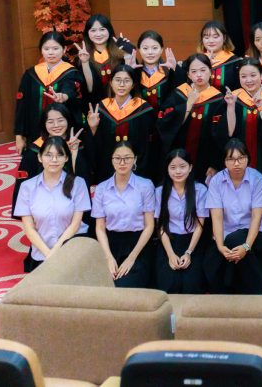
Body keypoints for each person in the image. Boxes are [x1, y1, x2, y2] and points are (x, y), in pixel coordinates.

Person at [204, 139, 262, 293]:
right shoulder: (216, 181)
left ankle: (255, 284)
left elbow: (256, 218)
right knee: (210, 260)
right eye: (231, 159)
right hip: (227, 232)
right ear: (224, 161)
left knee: (235, 240)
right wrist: (220, 246)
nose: (236, 164)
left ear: (248, 158)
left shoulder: (258, 179)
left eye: (241, 158)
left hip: (257, 232)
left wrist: (246, 246)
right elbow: (217, 217)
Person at [218, 60, 262, 225]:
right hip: (239, 160)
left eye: (253, 75)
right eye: (243, 76)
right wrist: (231, 107)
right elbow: (228, 133)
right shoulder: (233, 98)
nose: (248, 80)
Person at [15, 136, 90, 272]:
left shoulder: (78, 183)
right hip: (42, 254)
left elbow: (75, 224)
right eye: (48, 155)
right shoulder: (27, 187)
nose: (54, 160)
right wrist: (48, 255)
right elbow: (29, 229)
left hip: (73, 251)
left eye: (59, 155)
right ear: (40, 157)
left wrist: (55, 252)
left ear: (66, 158)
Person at [92, 141, 156, 288]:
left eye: (127, 158)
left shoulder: (145, 186)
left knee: (124, 286)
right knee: (105, 286)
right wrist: (108, 257)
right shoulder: (102, 188)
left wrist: (132, 258)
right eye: (117, 158)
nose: (122, 162)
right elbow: (100, 227)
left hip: (138, 244)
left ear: (135, 159)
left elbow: (149, 225)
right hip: (109, 245)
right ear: (112, 160)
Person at [156, 54, 226, 182]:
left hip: (204, 160)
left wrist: (215, 163)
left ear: (211, 71)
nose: (199, 75)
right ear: (188, 74)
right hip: (177, 157)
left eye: (203, 70)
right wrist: (188, 104)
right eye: (194, 71)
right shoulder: (179, 93)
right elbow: (164, 123)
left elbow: (220, 135)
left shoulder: (218, 99)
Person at [14, 31, 84, 156]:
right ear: (41, 50)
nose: (51, 53)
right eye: (46, 49)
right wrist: (19, 136)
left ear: (64, 49)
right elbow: (22, 105)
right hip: (35, 131)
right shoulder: (31, 74)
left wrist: (63, 96)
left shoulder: (71, 72)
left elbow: (71, 91)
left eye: (55, 48)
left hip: (62, 131)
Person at [12, 103, 89, 218]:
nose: (56, 125)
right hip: (43, 210)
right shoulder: (34, 151)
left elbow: (85, 180)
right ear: (44, 124)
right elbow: (24, 184)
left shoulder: (78, 145)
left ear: (68, 121)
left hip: (75, 206)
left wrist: (74, 154)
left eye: (60, 120)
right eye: (50, 122)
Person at [86, 64, 156, 182]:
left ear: (133, 84)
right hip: (107, 169)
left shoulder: (143, 109)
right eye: (117, 80)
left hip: (136, 169)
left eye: (127, 81)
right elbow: (96, 146)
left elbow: (146, 145)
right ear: (111, 82)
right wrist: (93, 128)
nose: (122, 84)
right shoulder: (100, 108)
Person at [154, 149, 208, 294]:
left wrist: (189, 252)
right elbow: (161, 226)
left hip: (193, 241)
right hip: (168, 240)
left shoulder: (200, 190)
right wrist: (170, 254)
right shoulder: (160, 191)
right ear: (167, 169)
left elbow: (200, 226)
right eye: (173, 167)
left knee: (191, 285)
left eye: (182, 166)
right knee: (169, 284)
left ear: (190, 168)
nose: (178, 171)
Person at [74, 14, 127, 102]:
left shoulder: (121, 53)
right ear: (87, 33)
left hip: (120, 103)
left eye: (102, 29)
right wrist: (85, 63)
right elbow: (88, 89)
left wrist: (127, 54)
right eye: (93, 30)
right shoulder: (81, 57)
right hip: (95, 105)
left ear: (109, 30)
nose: (98, 34)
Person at [135, 30, 178, 109]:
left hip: (165, 116)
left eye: (155, 48)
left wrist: (176, 70)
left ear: (161, 49)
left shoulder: (169, 72)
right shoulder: (135, 73)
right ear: (139, 50)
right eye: (145, 48)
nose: (150, 52)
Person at [198, 20, 243, 91]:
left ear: (224, 38)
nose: (211, 41)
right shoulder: (196, 61)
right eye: (206, 37)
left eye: (215, 37)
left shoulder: (235, 62)